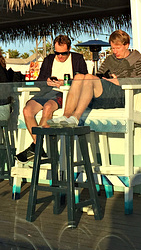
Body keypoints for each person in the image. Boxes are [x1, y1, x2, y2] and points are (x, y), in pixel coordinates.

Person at [49, 30, 141, 126]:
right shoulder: (110, 59)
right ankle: (66, 116)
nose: (115, 51)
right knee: (79, 76)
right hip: (102, 92)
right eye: (113, 48)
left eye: (117, 48)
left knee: (88, 78)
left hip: (122, 94)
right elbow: (97, 75)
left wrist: (119, 81)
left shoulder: (137, 59)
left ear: (126, 45)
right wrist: (66, 82)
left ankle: (75, 117)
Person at [16, 34, 88, 163]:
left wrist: (65, 83)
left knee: (48, 107)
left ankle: (35, 147)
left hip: (65, 93)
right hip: (48, 91)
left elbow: (83, 80)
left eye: (64, 53)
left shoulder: (77, 59)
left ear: (69, 49)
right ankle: (37, 145)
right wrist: (47, 81)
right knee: (27, 110)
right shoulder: (49, 59)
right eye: (57, 53)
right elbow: (40, 81)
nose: (60, 56)